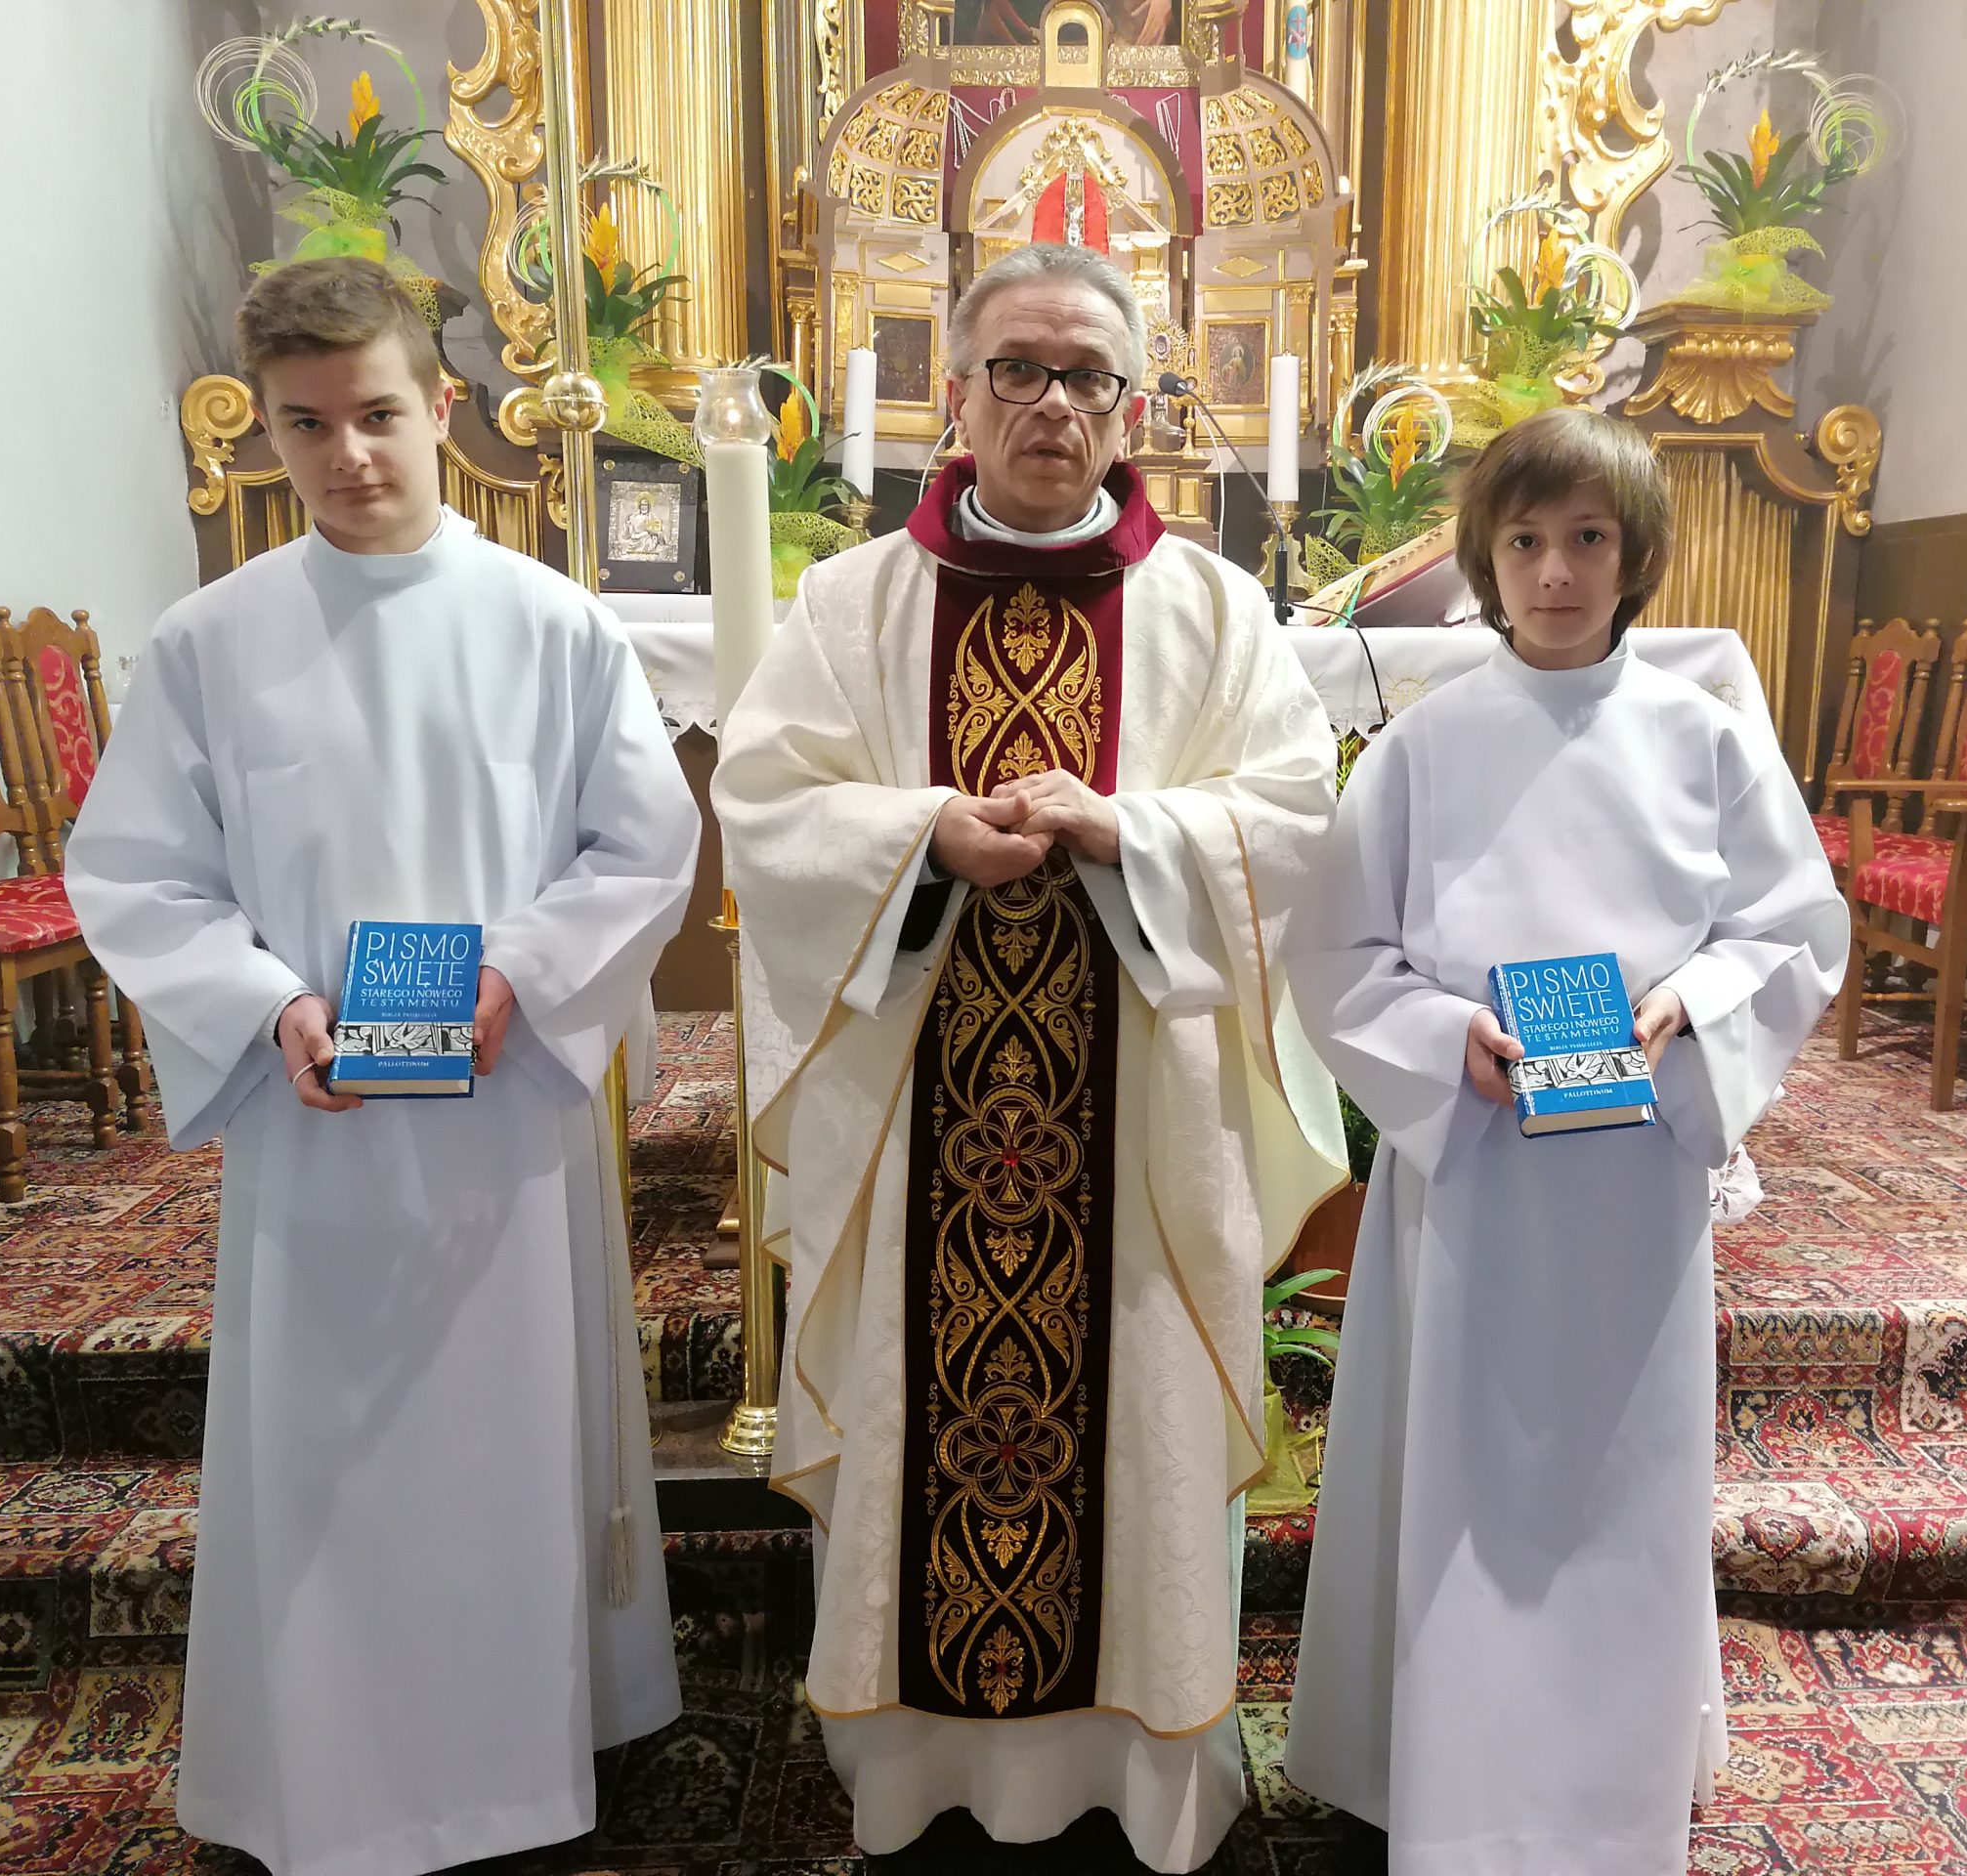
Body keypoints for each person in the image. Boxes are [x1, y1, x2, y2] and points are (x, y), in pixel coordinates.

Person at [711, 240, 1346, 1870]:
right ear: (959, 392)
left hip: (1138, 1131)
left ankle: (1141, 1778)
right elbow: (766, 807)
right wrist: (925, 834)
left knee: (1137, 1425)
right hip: (919, 1108)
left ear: (1132, 407)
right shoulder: (856, 603)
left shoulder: (1211, 606)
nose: (1050, 403)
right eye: (1017, 368)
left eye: (1085, 375)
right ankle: (917, 1772)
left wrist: (1132, 835)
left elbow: (1295, 820)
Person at [64, 257, 700, 1876]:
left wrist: (519, 972)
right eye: (306, 424)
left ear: (442, 408)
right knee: (327, 1456)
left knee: (507, 1443)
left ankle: (516, 1771)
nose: (346, 453)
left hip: (501, 1115)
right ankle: (333, 1774)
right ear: (267, 432)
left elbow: (642, 847)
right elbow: (138, 872)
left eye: (378, 414)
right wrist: (266, 1003)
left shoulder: (555, 626)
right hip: (320, 1121)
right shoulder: (210, 642)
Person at [1279, 407, 1847, 1873]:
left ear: (1635, 555)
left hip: (1634, 1175)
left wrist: (1688, 1004)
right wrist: (1439, 1038)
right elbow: (1340, 953)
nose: (1554, 572)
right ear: (1485, 559)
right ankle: (1449, 1771)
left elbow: (1793, 931)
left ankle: (1611, 1782)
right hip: (1474, 1168)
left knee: (1618, 1475)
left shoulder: (1702, 737)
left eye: (1588, 539)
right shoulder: (1426, 744)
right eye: (1525, 541)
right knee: (1466, 1467)